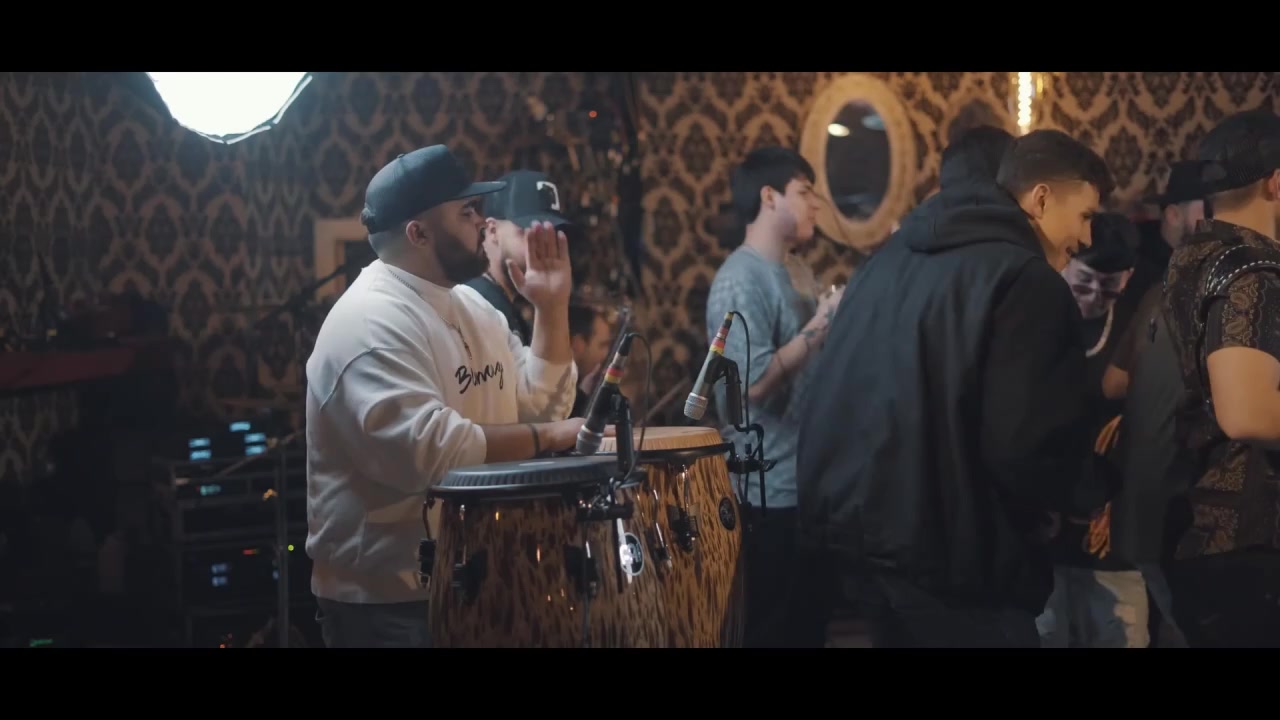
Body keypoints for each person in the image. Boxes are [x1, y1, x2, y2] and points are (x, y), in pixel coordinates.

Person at [796, 129, 1115, 648]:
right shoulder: (1026, 280)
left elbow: (838, 396)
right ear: (1040, 198)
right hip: (961, 559)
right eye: (1084, 216)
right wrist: (1084, 493)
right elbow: (1025, 445)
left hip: (867, 548)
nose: (1086, 238)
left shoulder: (885, 262)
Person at [303, 145, 581, 648]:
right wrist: (555, 437)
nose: (482, 221)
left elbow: (542, 405)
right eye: (467, 211)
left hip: (479, 577)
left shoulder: (473, 307)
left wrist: (552, 309)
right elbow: (435, 455)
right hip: (389, 603)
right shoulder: (369, 322)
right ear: (418, 233)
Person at [703, 146, 843, 648]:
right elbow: (753, 387)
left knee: (810, 629)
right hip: (767, 494)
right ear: (769, 197)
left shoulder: (797, 270)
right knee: (772, 631)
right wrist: (823, 322)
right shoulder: (739, 279)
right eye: (804, 192)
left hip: (810, 486)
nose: (816, 204)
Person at [1159, 109, 1280, 648]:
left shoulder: (1194, 255)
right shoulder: (1255, 267)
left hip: (1200, 520)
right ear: (1276, 183)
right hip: (1251, 538)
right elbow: (1247, 414)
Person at [1034, 212, 1149, 647]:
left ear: (1128, 277)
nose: (1095, 297)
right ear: (1064, 265)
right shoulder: (1033, 316)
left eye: (1109, 286)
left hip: (1113, 522)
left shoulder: (1137, 322)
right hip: (1044, 520)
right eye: (1083, 283)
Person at [466, 170, 574, 346]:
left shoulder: (508, 306)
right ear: (492, 231)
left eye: (549, 233)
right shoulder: (474, 302)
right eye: (529, 231)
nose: (541, 244)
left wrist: (554, 306)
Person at [568, 303, 612, 417]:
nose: (607, 354)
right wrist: (583, 396)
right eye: (602, 345)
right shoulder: (554, 390)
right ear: (578, 344)